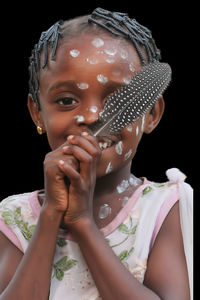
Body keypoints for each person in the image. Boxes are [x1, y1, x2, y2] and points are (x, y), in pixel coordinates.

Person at [0, 7, 193, 300]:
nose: (91, 116)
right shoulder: (14, 217)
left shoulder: (167, 207)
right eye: (67, 100)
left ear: (151, 114)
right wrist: (52, 214)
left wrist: (82, 222)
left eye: (117, 100)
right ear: (37, 113)